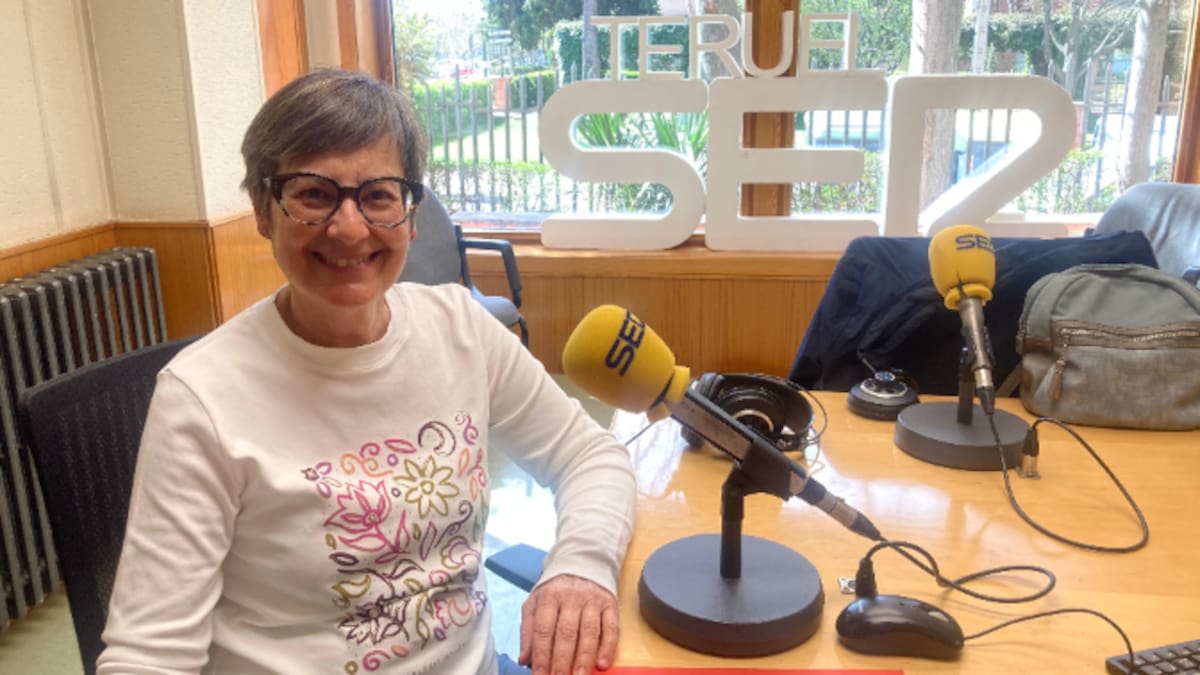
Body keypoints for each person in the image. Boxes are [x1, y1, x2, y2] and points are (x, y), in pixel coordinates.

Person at [97, 68, 637, 675]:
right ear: (262, 210)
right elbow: (149, 656)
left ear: (409, 214)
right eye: (312, 193)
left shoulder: (461, 329)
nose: (349, 228)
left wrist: (580, 565)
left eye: (378, 194)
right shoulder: (201, 397)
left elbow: (589, 455)